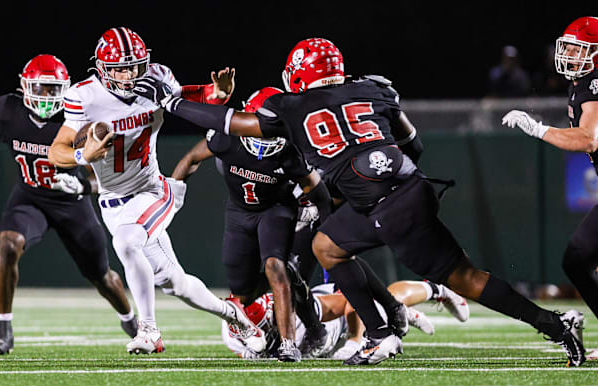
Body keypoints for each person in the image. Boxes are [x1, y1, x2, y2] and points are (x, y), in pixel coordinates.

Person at [132, 37, 587, 367]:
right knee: (328, 245)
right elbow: (413, 144)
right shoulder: (373, 89)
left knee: (461, 277)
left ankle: (388, 331)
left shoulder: (291, 109)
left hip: (383, 205)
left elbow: (228, 121)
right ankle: (547, 325)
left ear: (300, 77)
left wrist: (173, 103)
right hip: (408, 188)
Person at [47, 27, 265, 355]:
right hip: (111, 202)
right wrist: (82, 155)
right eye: (120, 67)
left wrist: (217, 93)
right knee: (173, 283)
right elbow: (55, 151)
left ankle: (148, 330)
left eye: (134, 66)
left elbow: (193, 98)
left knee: (126, 241)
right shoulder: (84, 97)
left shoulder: (156, 79)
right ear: (102, 67)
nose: (128, 74)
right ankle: (234, 315)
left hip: (151, 190)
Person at [0, 54, 138, 355]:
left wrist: (82, 185)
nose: (48, 96)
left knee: (102, 276)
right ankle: (3, 333)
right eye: (42, 88)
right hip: (30, 197)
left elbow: (108, 176)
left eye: (54, 88)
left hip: (71, 202)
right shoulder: (7, 110)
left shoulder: (78, 121)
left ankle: (131, 322)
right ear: (25, 86)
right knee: (8, 247)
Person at [171, 87, 333, 361]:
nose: (264, 136)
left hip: (276, 210)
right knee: (243, 291)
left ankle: (288, 344)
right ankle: (295, 289)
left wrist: (320, 217)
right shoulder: (227, 140)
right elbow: (191, 158)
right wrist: (172, 194)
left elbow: (319, 193)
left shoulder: (289, 152)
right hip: (239, 213)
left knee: (274, 265)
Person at [502, 16, 598, 361]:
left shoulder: (595, 81)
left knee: (580, 257)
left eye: (579, 48)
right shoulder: (584, 81)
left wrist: (537, 128)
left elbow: (588, 138)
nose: (570, 53)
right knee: (578, 259)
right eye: (569, 46)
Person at [221, 279, 468, 360]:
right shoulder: (231, 332)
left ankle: (437, 290)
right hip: (324, 347)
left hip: (341, 322)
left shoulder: (295, 311)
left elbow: (351, 300)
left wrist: (355, 339)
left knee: (387, 300)